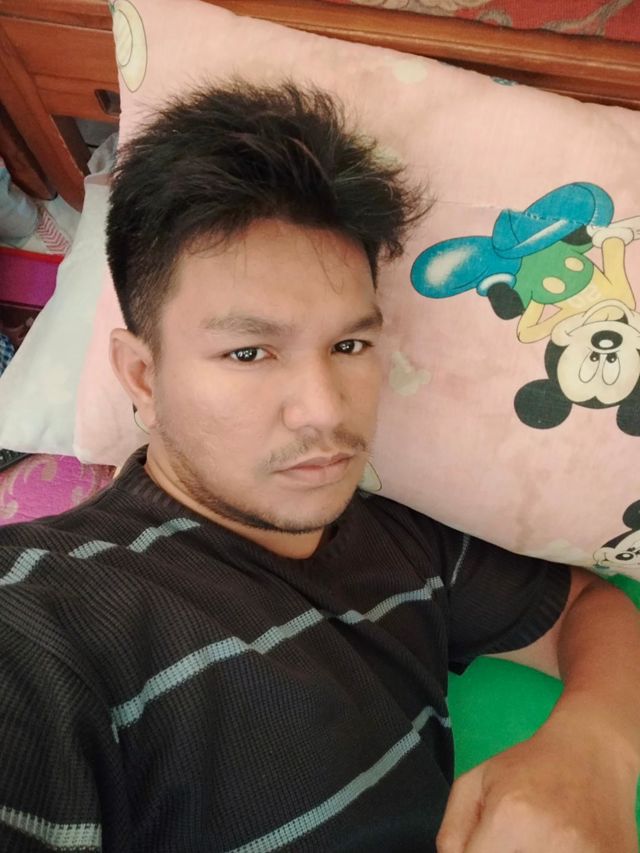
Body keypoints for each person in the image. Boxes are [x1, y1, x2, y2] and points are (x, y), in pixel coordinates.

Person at [0, 81, 639, 853]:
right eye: (249, 352)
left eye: (350, 345)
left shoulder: (407, 540)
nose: (325, 409)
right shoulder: (47, 620)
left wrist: (594, 745)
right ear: (142, 376)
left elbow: (591, 608)